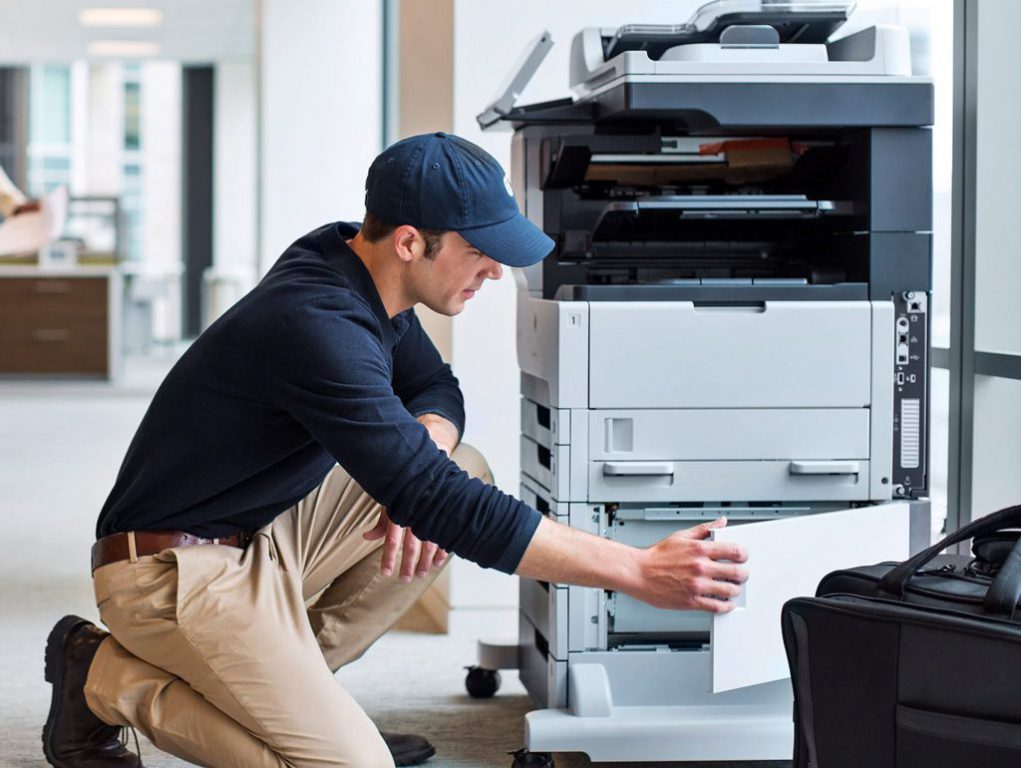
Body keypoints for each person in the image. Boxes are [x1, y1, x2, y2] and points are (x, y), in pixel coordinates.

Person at [42, 132, 749, 768]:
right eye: (478, 252)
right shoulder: (317, 323)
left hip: (258, 537)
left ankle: (298, 701)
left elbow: (435, 388)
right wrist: (634, 569)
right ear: (410, 242)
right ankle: (103, 678)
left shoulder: (356, 266)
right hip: (170, 572)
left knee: (456, 466)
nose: (495, 273)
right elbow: (440, 502)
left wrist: (425, 453)